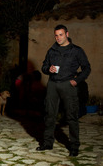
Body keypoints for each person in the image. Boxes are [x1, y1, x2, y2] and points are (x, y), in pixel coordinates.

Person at [36, 24, 91, 157]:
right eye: (56, 35)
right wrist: (48, 69)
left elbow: (87, 68)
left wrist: (76, 80)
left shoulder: (77, 51)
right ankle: (48, 143)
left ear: (67, 34)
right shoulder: (52, 50)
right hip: (53, 85)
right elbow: (44, 66)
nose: (58, 38)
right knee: (50, 114)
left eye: (61, 35)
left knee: (72, 116)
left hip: (68, 85)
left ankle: (74, 146)